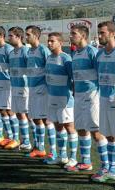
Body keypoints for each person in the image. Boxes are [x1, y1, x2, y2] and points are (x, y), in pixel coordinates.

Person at [67, 24, 107, 172]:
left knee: (96, 132)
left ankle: (105, 167)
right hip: (78, 96)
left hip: (92, 97)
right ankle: (85, 162)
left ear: (83, 36)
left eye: (73, 34)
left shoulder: (92, 52)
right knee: (81, 129)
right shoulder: (76, 53)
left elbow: (101, 75)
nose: (70, 36)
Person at [91, 21, 115, 183]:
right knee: (109, 136)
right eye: (99, 33)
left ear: (112, 33)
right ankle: (112, 169)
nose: (99, 36)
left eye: (102, 33)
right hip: (103, 99)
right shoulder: (99, 54)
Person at [44, 32, 78, 165]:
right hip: (52, 97)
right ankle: (62, 156)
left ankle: (73, 157)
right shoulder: (48, 58)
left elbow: (73, 79)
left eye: (52, 41)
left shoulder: (66, 59)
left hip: (65, 99)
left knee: (69, 127)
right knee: (58, 127)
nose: (49, 43)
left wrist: (73, 96)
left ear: (60, 43)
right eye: (48, 41)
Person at [25, 25, 56, 157]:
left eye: (28, 35)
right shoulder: (29, 51)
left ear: (36, 36)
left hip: (43, 89)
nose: (26, 37)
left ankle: (53, 151)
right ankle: (40, 147)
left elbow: (50, 68)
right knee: (36, 118)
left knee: (46, 119)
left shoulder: (43, 50)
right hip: (32, 88)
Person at [0, 26, 19, 146]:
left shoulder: (9, 49)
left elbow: (13, 67)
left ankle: (16, 139)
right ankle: (8, 137)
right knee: (1, 110)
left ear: (1, 36)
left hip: (8, 83)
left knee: (9, 110)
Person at [6, 26, 28, 149]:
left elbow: (29, 69)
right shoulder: (11, 53)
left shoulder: (25, 51)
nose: (9, 38)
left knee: (27, 115)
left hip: (24, 87)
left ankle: (31, 142)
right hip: (14, 86)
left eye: (11, 36)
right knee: (19, 114)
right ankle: (23, 140)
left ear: (19, 37)